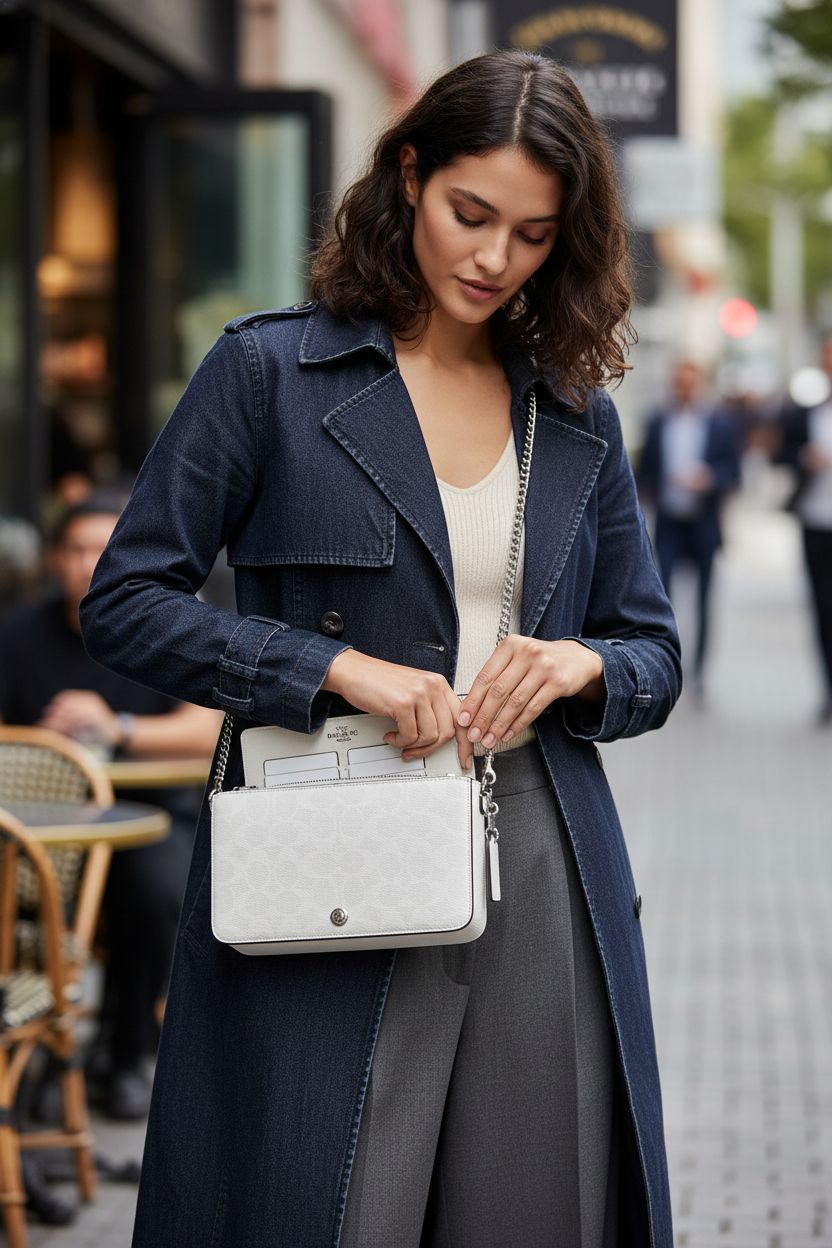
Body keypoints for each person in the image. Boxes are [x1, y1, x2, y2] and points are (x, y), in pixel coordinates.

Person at [81, 50, 682, 1248]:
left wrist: (580, 666)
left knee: (535, 1206)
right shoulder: (268, 372)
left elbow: (652, 653)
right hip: (331, 832)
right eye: (470, 213)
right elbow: (127, 600)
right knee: (328, 1200)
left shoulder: (570, 409)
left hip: (539, 851)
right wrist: (326, 669)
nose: (490, 257)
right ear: (408, 174)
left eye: (530, 234)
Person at [0, 491, 222, 1119]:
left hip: (151, 812)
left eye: (103, 547)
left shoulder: (162, 623)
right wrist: (47, 749)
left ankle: (124, 1055)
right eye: (75, 548)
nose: (87, 562)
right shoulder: (18, 632)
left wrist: (115, 726)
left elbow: (206, 730)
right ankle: (35, 1051)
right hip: (42, 825)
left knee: (157, 894)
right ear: (52, 558)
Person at [637, 359, 742, 695]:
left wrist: (708, 478)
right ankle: (665, 666)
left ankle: (699, 671)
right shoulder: (658, 421)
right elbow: (643, 472)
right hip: (669, 522)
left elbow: (733, 472)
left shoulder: (720, 424)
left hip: (704, 523)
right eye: (679, 382)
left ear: (700, 385)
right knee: (660, 598)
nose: (684, 388)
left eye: (690, 382)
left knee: (704, 598)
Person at [775, 334, 832, 725]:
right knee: (824, 610)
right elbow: (781, 453)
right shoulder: (807, 411)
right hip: (816, 522)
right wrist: (802, 458)